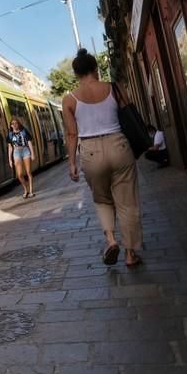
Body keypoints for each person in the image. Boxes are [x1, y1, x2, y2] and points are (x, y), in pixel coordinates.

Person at [62, 48, 143, 268]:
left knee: (102, 199)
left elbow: (71, 134)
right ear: (95, 69)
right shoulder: (114, 88)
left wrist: (71, 163)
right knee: (127, 202)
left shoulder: (69, 100)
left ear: (76, 74)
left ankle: (111, 240)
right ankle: (130, 254)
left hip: (90, 152)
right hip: (119, 145)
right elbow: (129, 115)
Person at [6, 118, 36, 198]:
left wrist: (32, 154)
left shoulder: (24, 131)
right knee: (19, 174)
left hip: (25, 150)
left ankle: (31, 191)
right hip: (16, 152)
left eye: (16, 123)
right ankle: (26, 189)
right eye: (13, 124)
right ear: (11, 126)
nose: (14, 125)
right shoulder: (10, 134)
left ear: (18, 124)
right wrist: (9, 159)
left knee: (28, 171)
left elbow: (29, 142)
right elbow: (10, 147)